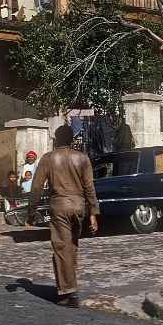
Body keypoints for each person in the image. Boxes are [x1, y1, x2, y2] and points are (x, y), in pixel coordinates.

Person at [27, 125, 100, 308]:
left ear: (56, 139)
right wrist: (93, 214)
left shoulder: (48, 158)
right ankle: (69, 288)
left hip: (59, 206)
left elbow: (36, 187)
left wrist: (31, 212)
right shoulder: (82, 158)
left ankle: (69, 292)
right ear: (71, 140)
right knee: (72, 247)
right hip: (78, 207)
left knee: (61, 249)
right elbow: (89, 188)